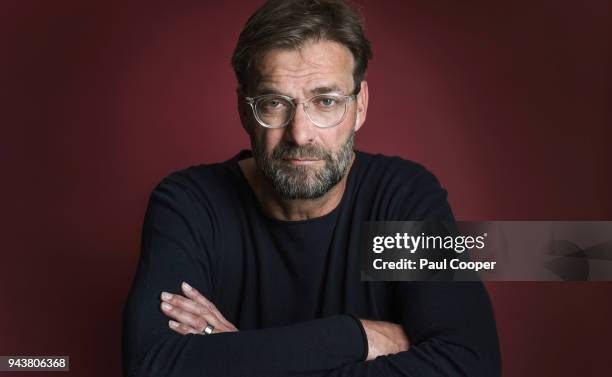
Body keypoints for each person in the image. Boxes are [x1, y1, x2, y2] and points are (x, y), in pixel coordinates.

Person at [122, 0, 501, 376]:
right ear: (243, 110)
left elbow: (470, 366)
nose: (300, 134)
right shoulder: (190, 204)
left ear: (360, 106)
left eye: (325, 101)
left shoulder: (403, 198)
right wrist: (358, 336)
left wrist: (241, 357)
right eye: (274, 103)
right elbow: (151, 367)